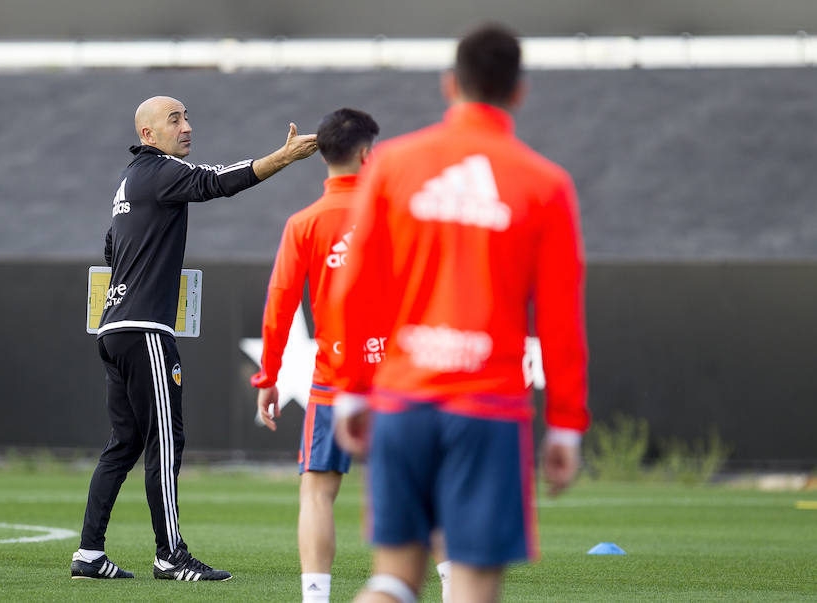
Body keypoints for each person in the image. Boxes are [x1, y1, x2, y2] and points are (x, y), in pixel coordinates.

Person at [330, 24, 591, 603]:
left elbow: (354, 287)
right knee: (472, 585)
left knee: (392, 579)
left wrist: (352, 390)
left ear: (450, 84)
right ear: (519, 91)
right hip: (489, 409)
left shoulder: (393, 164)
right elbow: (560, 317)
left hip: (403, 402)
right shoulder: (547, 184)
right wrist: (567, 424)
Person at [70, 95, 318, 581]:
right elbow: (215, 182)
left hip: (114, 328)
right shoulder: (160, 170)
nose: (187, 126)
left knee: (123, 444)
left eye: (186, 117)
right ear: (148, 134)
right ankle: (170, 556)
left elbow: (109, 245)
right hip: (144, 332)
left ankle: (90, 554)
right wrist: (283, 157)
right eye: (175, 119)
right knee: (166, 442)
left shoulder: (129, 180)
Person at [250, 108, 384, 603]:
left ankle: (315, 597)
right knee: (424, 489)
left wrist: (269, 376)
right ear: (368, 153)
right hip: (401, 380)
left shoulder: (304, 223)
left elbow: (279, 305)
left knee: (318, 491)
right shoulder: (398, 214)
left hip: (335, 379)